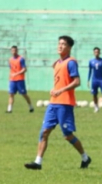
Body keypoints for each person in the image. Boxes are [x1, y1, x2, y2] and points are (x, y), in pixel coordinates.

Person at [24, 36, 91, 170]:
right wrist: (55, 89)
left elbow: (77, 82)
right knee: (44, 132)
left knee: (67, 135)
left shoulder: (71, 63)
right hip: (53, 103)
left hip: (65, 104)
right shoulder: (57, 63)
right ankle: (38, 162)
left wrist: (61, 90)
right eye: (59, 43)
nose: (60, 46)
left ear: (69, 47)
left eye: (63, 44)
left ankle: (85, 157)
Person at [6, 45, 34, 113]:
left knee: (24, 94)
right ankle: (9, 109)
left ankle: (30, 106)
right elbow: (11, 69)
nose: (14, 52)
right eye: (12, 50)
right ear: (11, 51)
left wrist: (17, 74)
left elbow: (24, 69)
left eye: (15, 50)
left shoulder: (21, 59)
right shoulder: (10, 59)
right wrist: (12, 75)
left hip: (20, 80)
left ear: (17, 51)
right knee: (11, 94)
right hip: (12, 80)